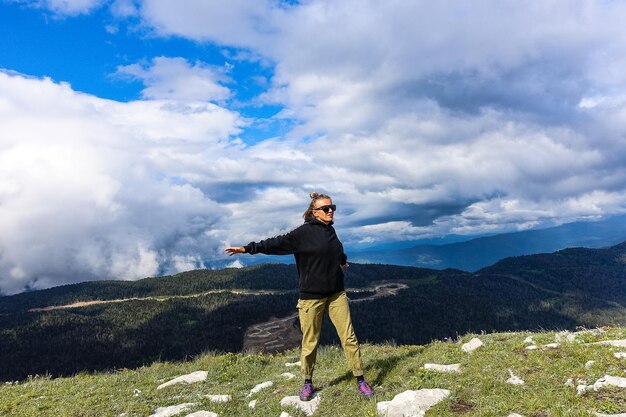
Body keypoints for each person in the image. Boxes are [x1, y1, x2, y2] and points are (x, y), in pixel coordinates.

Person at [225, 192, 374, 400]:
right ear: (315, 212)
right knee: (310, 341)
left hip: (337, 294)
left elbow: (336, 251)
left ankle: (360, 380)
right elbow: (274, 244)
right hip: (311, 297)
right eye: (326, 208)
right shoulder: (301, 234)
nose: (330, 211)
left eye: (333, 207)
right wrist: (247, 249)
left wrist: (342, 261)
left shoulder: (331, 231)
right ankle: (307, 383)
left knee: (349, 338)